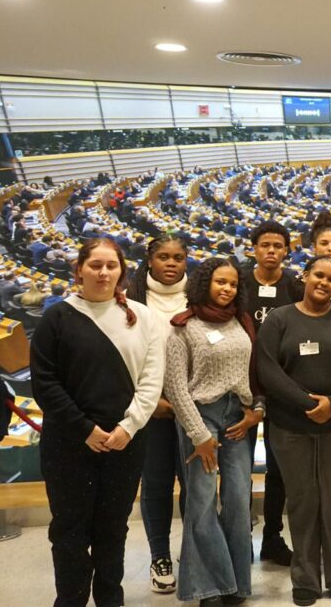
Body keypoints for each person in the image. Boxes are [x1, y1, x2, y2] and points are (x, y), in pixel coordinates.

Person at [30, 238, 164, 607]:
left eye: (111, 266)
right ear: (79, 270)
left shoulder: (143, 317)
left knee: (113, 529)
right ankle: (70, 600)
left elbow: (151, 379)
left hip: (125, 442)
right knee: (69, 531)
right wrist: (84, 429)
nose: (103, 273)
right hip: (68, 442)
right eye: (95, 265)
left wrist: (128, 427)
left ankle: (110, 599)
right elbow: (45, 382)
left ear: (121, 271)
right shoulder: (57, 318)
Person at [257, 256, 331, 607]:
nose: (324, 282)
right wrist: (308, 404)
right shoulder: (279, 320)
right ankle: (305, 579)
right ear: (305, 276)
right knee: (302, 502)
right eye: (318, 275)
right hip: (291, 427)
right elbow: (267, 369)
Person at [164, 257, 263, 606]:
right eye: (221, 282)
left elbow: (255, 373)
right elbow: (175, 387)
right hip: (200, 417)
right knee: (202, 501)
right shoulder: (182, 327)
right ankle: (208, 587)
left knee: (238, 499)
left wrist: (256, 411)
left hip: (237, 418)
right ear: (204, 283)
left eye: (233, 284)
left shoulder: (242, 321)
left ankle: (236, 584)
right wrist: (199, 435)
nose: (227, 289)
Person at [126, 234, 190, 594]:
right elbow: (127, 357)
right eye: (164, 257)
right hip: (151, 409)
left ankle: (193, 552)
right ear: (150, 260)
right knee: (156, 484)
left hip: (194, 406)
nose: (171, 263)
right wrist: (152, 400)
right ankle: (160, 556)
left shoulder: (198, 295)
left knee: (194, 485)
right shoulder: (132, 299)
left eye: (178, 258)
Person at [243, 220, 301, 566]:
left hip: (282, 385)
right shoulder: (240, 282)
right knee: (239, 467)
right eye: (265, 245)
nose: (271, 251)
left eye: (278, 246)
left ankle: (272, 538)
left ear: (286, 251)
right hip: (243, 385)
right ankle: (238, 537)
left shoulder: (294, 285)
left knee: (279, 469)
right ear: (254, 249)